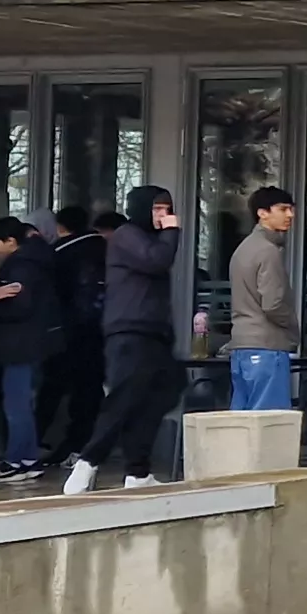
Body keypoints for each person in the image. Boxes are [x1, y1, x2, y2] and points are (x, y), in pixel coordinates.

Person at [71, 185, 185, 494]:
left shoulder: (149, 237)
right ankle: (87, 461)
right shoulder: (127, 234)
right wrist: (172, 231)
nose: (164, 215)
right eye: (157, 209)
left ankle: (137, 471)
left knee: (157, 397)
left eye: (168, 209)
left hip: (153, 332)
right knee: (125, 397)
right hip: (129, 330)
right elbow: (157, 261)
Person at [0, 217, 59, 482]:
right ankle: (27, 457)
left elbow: (19, 306)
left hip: (18, 344)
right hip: (30, 342)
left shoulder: (21, 267)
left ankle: (18, 461)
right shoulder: (37, 261)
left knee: (16, 404)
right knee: (20, 403)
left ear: (11, 241)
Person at [40, 207, 107, 470]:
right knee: (89, 391)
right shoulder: (104, 250)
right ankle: (83, 445)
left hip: (69, 332)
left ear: (60, 227)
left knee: (59, 390)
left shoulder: (59, 254)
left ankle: (61, 444)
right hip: (100, 330)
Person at [226, 184, 299, 414]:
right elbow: (273, 304)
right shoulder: (268, 251)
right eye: (283, 208)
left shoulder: (244, 249)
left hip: (242, 346)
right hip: (267, 347)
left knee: (241, 422)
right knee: (268, 425)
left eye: (291, 209)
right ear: (262, 213)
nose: (290, 215)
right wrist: (293, 329)